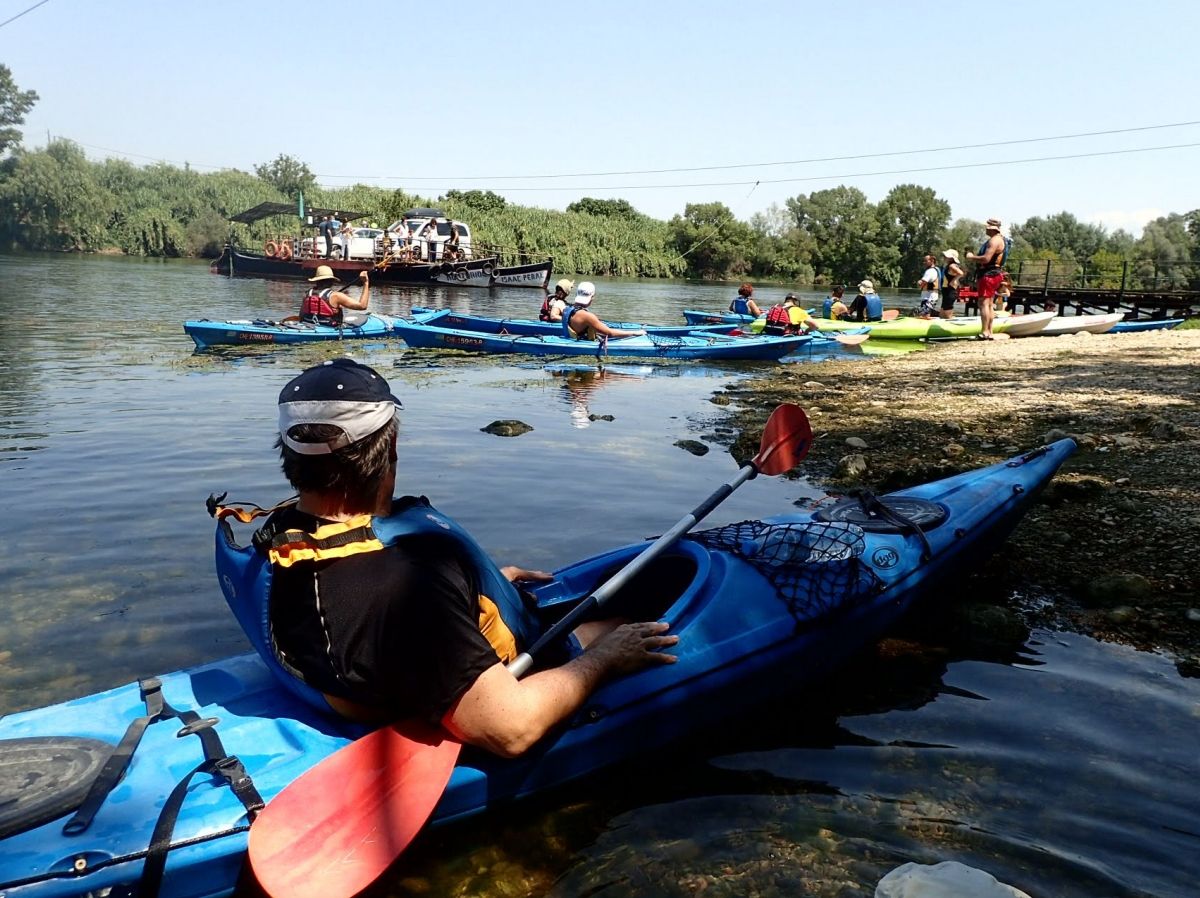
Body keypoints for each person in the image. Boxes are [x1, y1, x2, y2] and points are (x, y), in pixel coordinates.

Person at [228, 358, 677, 756]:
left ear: (292, 458)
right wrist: (606, 660)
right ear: (391, 451)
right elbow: (510, 730)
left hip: (384, 657)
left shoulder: (283, 534)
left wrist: (478, 584)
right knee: (629, 625)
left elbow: (361, 604)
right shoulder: (400, 585)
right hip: (501, 681)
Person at [965, 218, 1007, 340]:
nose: (985, 230)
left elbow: (986, 259)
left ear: (992, 229)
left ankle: (985, 332)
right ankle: (989, 332)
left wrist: (972, 257)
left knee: (983, 303)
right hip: (996, 274)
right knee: (989, 303)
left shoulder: (994, 241)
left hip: (989, 275)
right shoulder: (1001, 239)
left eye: (987, 228)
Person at [562, 282, 646, 340]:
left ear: (577, 294)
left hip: (569, 339)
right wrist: (634, 333)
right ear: (592, 297)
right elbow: (609, 333)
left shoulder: (567, 309)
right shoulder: (588, 316)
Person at [299, 265, 371, 326]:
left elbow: (301, 316)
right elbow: (362, 306)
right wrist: (366, 283)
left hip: (309, 325)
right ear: (331, 281)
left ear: (317, 280)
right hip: (329, 328)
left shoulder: (307, 294)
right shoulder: (336, 296)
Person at [939, 250, 965, 319]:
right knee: (942, 314)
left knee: (947, 314)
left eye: (946, 256)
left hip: (950, 291)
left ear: (952, 258)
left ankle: (950, 321)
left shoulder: (952, 266)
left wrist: (954, 280)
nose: (944, 257)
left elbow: (961, 273)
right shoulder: (948, 265)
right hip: (946, 291)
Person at [917, 254, 941, 318]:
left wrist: (919, 283)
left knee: (925, 315)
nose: (924, 262)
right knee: (925, 313)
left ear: (932, 261)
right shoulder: (935, 270)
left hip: (929, 297)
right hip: (931, 297)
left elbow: (923, 282)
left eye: (925, 261)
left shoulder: (930, 271)